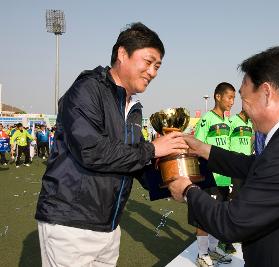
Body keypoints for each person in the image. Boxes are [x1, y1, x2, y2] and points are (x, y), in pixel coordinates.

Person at [168, 46, 279, 266]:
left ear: (266, 93)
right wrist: (202, 149)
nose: (242, 109)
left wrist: (188, 190)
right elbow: (257, 166)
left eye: (245, 100)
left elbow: (231, 223)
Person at [34, 22, 188, 267]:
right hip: (70, 225)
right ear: (122, 54)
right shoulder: (87, 89)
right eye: (148, 62)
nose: (153, 72)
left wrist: (175, 180)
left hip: (109, 225)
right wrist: (153, 149)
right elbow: (92, 151)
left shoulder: (133, 107)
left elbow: (132, 161)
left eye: (157, 66)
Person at [192, 82, 235, 266]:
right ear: (218, 97)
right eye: (230, 97)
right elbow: (197, 145)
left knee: (219, 215)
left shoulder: (226, 121)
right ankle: (201, 254)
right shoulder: (207, 119)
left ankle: (213, 248)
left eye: (234, 98)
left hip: (224, 177)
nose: (232, 102)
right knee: (205, 216)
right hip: (210, 176)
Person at [228, 110, 254, 199]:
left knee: (245, 193)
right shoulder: (232, 121)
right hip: (234, 162)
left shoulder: (250, 123)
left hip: (246, 163)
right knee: (235, 193)